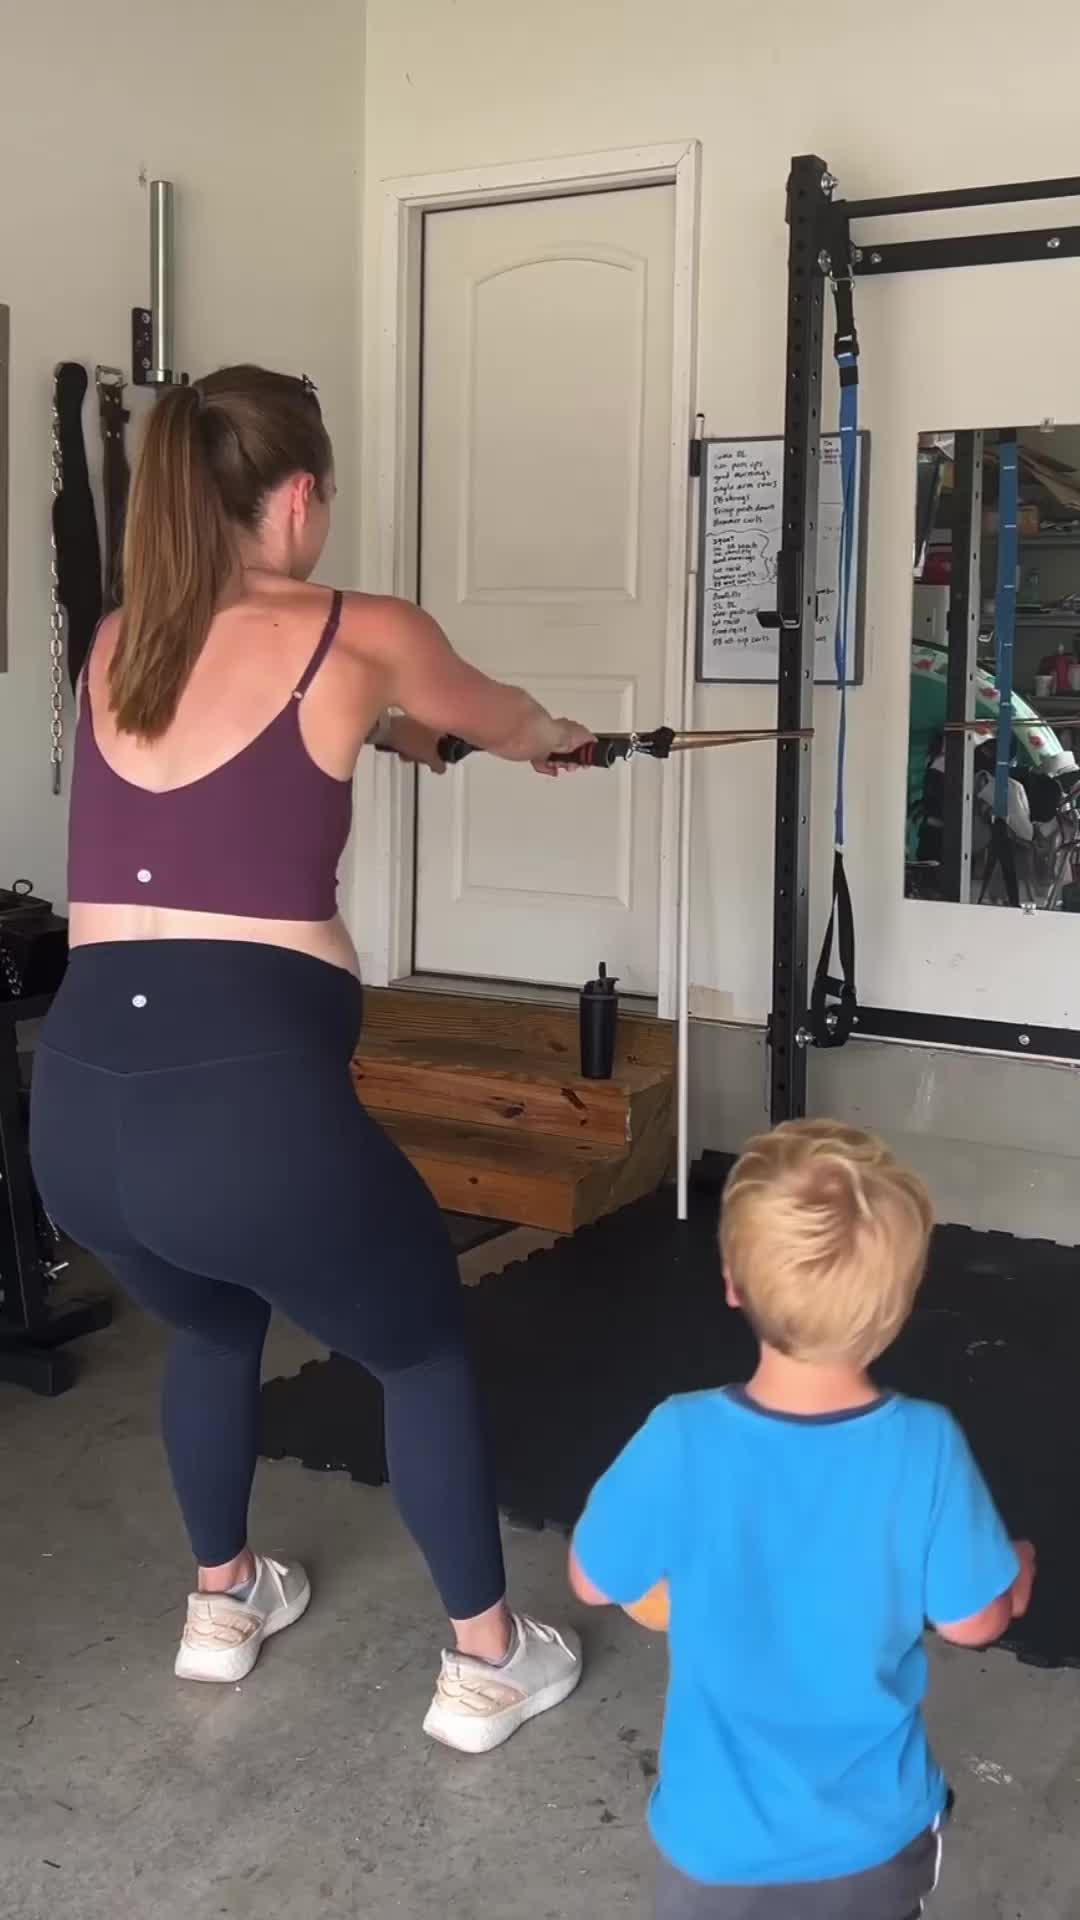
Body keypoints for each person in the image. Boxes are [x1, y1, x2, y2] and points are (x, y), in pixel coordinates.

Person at [30, 365, 591, 1753]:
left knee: (217, 1321)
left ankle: (222, 1607)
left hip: (79, 1121)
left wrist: (396, 736)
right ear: (297, 494)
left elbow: (263, 744)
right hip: (244, 1120)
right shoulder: (362, 628)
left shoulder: (118, 642)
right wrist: (553, 741)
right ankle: (487, 1661)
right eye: (324, 496)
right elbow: (502, 713)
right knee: (418, 1350)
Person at [568, 1119, 1036, 1918]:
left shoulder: (679, 1436)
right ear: (901, 1303)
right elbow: (973, 1623)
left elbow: (589, 1578)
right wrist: (1018, 1570)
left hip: (711, 1849)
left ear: (732, 1281)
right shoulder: (926, 1447)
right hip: (870, 1846)